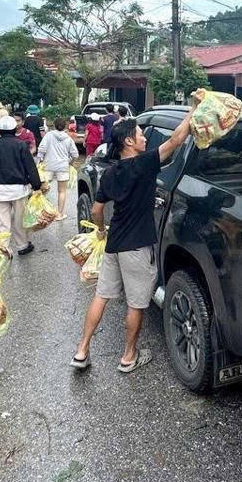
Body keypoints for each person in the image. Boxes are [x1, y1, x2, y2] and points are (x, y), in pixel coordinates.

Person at [70, 114, 194, 374]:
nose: (144, 138)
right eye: (140, 134)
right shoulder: (144, 164)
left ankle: (81, 351)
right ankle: (128, 357)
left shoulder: (111, 172)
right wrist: (193, 110)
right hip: (137, 247)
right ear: (129, 141)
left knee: (101, 296)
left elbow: (95, 209)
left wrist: (102, 230)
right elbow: (177, 139)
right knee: (136, 304)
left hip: (114, 243)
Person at [0, 115, 41, 256]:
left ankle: (4, 248)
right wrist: (36, 185)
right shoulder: (20, 145)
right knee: (19, 220)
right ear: (14, 129)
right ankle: (22, 245)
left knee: (3, 222)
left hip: (0, 189)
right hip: (19, 189)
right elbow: (30, 166)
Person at [36, 117, 79, 221]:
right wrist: (70, 162)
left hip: (48, 165)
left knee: (43, 189)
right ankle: (59, 214)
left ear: (54, 125)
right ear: (65, 126)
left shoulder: (49, 135)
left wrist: (39, 161)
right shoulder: (68, 138)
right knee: (62, 191)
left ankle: (43, 213)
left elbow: (41, 149)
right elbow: (75, 154)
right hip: (63, 167)